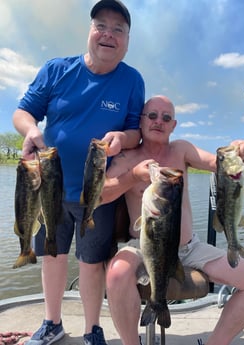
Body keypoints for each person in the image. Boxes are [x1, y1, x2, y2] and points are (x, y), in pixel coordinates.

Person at [12, 1, 145, 345]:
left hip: (99, 191)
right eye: (102, 25)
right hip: (49, 187)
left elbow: (135, 131)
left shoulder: (132, 80)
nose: (109, 35)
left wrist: (124, 137)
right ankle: (52, 322)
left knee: (91, 262)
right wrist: (29, 130)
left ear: (127, 40)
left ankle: (92, 329)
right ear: (89, 31)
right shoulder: (57, 69)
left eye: (119, 30)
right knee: (52, 256)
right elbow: (24, 112)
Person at [100, 95, 244, 345]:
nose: (158, 121)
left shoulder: (182, 149)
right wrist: (133, 176)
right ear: (141, 121)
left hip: (189, 247)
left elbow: (221, 164)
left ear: (173, 125)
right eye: (152, 115)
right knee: (116, 274)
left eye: (166, 117)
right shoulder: (127, 159)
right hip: (145, 246)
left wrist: (241, 150)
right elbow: (99, 196)